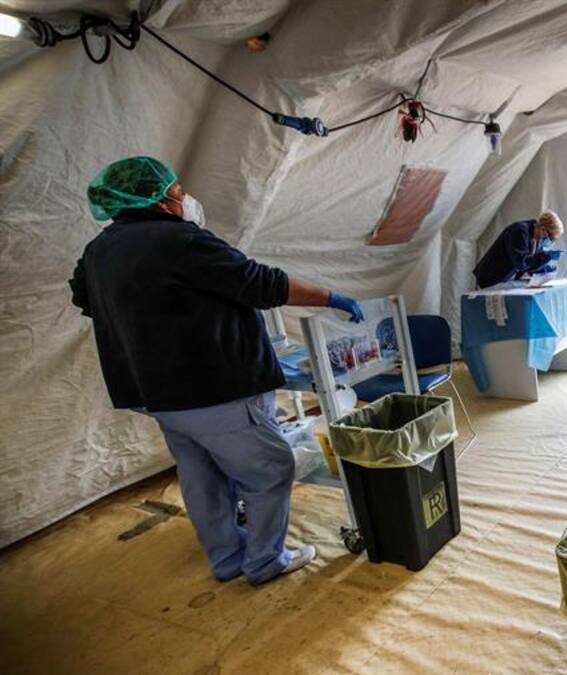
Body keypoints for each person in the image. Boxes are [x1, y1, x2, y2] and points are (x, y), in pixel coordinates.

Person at [69, 156, 367, 586]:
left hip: (156, 394)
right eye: (177, 191)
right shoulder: (181, 240)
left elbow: (86, 300)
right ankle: (265, 561)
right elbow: (261, 283)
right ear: (158, 199)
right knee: (270, 471)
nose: (185, 197)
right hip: (214, 389)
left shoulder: (98, 251)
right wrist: (331, 297)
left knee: (203, 478)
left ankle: (226, 560)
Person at [472, 211, 564, 288]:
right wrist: (546, 256)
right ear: (543, 229)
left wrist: (543, 268)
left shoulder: (536, 240)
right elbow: (522, 262)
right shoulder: (519, 231)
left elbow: (530, 264)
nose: (549, 241)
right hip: (490, 278)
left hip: (503, 279)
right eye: (550, 237)